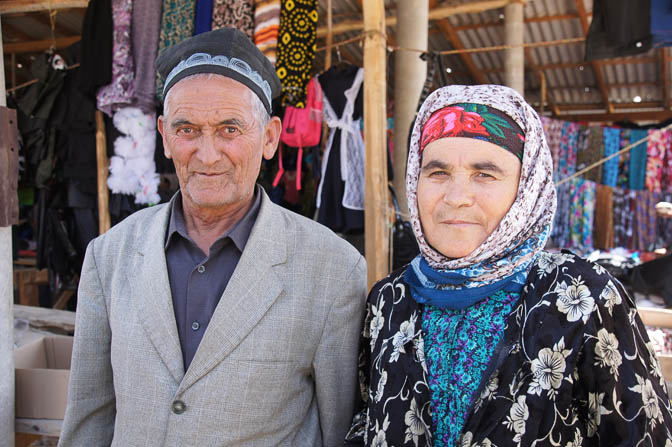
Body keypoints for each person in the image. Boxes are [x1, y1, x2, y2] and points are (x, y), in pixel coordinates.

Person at [59, 28, 367, 447]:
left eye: (229, 129)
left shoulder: (332, 268)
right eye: (187, 130)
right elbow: (88, 419)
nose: (206, 155)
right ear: (165, 136)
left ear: (270, 138)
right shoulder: (108, 255)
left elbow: (339, 429)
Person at [345, 85, 672, 446]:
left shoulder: (584, 299)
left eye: (484, 174)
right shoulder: (389, 300)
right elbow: (366, 421)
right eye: (437, 172)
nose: (456, 198)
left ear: (526, 187)